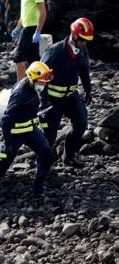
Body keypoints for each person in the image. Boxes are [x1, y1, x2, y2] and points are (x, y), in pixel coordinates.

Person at [0, 61, 55, 204]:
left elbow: (43, 102)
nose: (44, 84)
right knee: (3, 163)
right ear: (32, 79)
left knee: (47, 154)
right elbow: (6, 119)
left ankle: (38, 189)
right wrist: (8, 142)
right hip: (15, 133)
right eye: (41, 82)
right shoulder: (20, 94)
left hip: (31, 130)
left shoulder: (37, 87)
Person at [40, 18, 94, 168]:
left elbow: (84, 71)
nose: (85, 43)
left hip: (71, 96)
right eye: (83, 40)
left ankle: (68, 155)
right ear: (74, 35)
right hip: (53, 99)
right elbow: (41, 75)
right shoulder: (55, 51)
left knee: (81, 123)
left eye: (87, 41)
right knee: (49, 135)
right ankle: (43, 165)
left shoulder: (82, 50)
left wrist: (88, 90)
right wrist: (43, 102)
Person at [10, 0, 47, 82]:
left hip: (31, 29)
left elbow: (43, 12)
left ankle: (19, 86)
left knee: (17, 57)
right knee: (34, 60)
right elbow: (24, 12)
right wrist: (18, 27)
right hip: (26, 27)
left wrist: (38, 31)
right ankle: (39, 84)